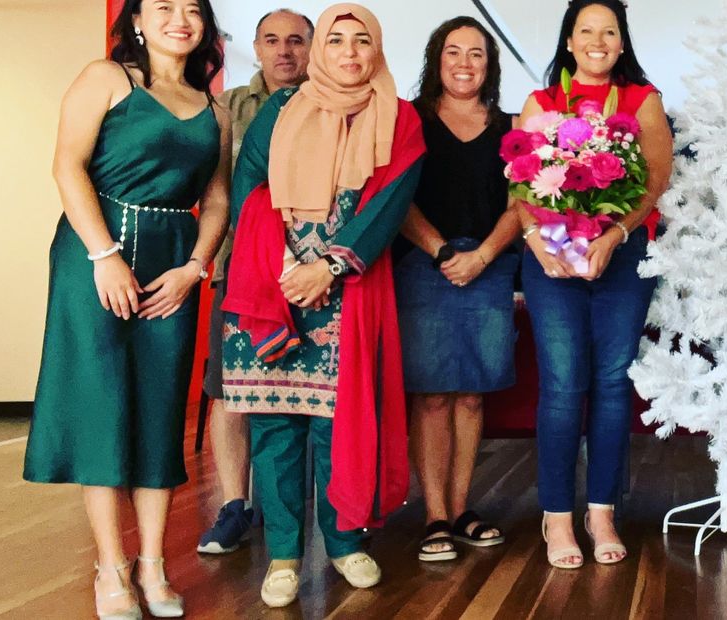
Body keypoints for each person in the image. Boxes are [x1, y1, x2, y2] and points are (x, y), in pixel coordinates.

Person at [22, 0, 228, 617]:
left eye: (192, 8)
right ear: (137, 20)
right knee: (103, 402)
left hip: (172, 263)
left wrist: (195, 269)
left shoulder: (214, 111)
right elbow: (67, 166)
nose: (179, 18)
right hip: (93, 255)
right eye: (163, 6)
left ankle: (153, 566)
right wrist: (104, 254)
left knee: (161, 406)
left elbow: (216, 201)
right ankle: (111, 568)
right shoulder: (105, 78)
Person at [221, 3, 424, 606]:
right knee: (274, 424)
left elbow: (390, 203)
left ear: (377, 51)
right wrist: (284, 264)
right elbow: (248, 189)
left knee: (339, 425)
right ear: (319, 51)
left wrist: (330, 265)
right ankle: (284, 552)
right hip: (274, 282)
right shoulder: (283, 108)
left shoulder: (399, 117)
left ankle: (342, 541)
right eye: (337, 41)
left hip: (347, 288)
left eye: (363, 42)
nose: (350, 53)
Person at [517, 0, 672, 568]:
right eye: (587, 30)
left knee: (610, 385)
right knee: (562, 384)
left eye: (609, 31)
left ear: (622, 43)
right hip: (551, 255)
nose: (598, 40)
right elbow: (520, 185)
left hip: (622, 257)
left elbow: (655, 183)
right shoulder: (541, 103)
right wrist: (540, 243)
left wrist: (615, 236)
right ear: (569, 40)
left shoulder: (642, 100)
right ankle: (556, 517)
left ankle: (600, 512)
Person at [394, 16, 520, 562]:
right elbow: (395, 200)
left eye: (476, 54)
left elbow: (522, 203)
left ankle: (463, 508)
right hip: (425, 266)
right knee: (432, 396)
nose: (464, 64)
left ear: (489, 65)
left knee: (471, 394)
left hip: (488, 265)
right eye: (453, 52)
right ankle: (434, 516)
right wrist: (444, 252)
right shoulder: (409, 120)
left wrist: (484, 256)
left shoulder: (509, 126)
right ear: (436, 59)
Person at [198, 7, 313, 556]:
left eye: (296, 40)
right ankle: (233, 504)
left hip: (315, 278)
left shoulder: (332, 106)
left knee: (305, 396)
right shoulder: (226, 108)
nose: (284, 50)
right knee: (231, 394)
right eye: (272, 40)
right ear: (257, 48)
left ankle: (289, 504)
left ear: (313, 49)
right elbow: (215, 190)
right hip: (239, 269)